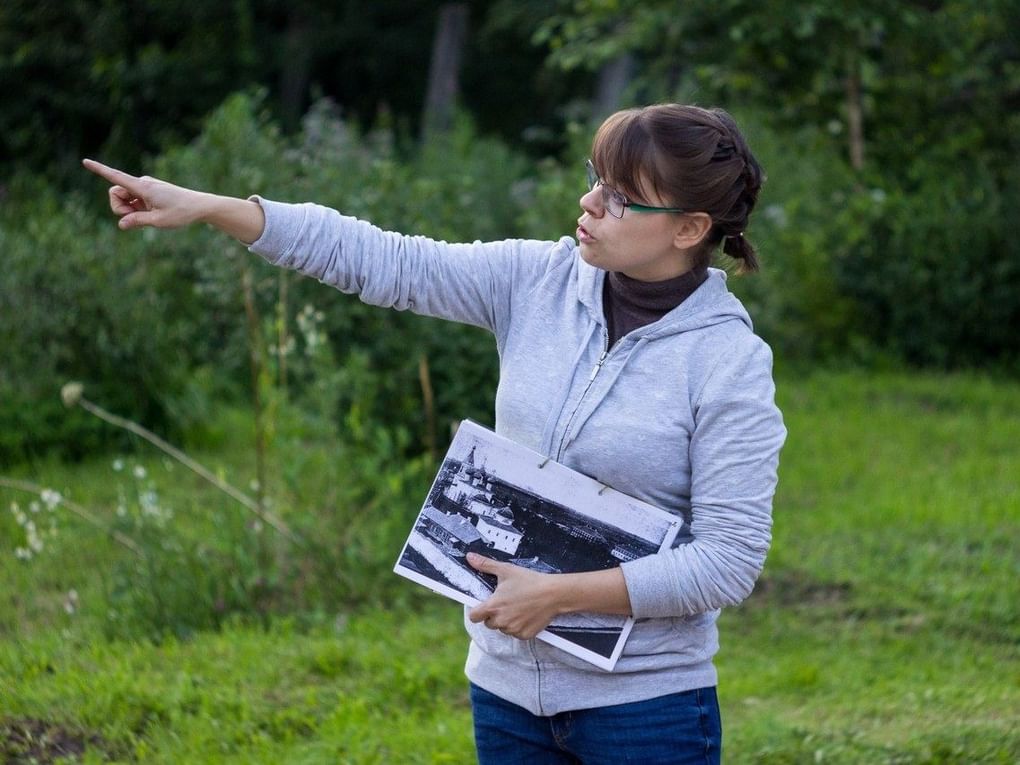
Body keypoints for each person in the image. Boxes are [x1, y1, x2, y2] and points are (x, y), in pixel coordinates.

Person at [84, 103, 786, 764]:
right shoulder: (535, 281)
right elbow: (383, 260)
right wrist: (211, 208)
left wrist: (558, 595)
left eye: (621, 198)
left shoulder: (727, 362)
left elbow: (727, 560)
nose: (589, 205)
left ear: (689, 228)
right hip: (507, 694)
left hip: (646, 710)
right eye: (593, 180)